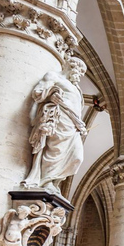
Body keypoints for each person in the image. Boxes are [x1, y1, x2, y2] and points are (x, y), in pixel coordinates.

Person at [23, 57, 88, 194]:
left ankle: (54, 181)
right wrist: (50, 95)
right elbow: (38, 92)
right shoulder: (54, 77)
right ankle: (46, 180)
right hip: (59, 119)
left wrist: (79, 125)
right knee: (55, 149)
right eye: (80, 70)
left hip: (72, 124)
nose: (80, 74)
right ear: (71, 67)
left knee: (77, 157)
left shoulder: (76, 88)